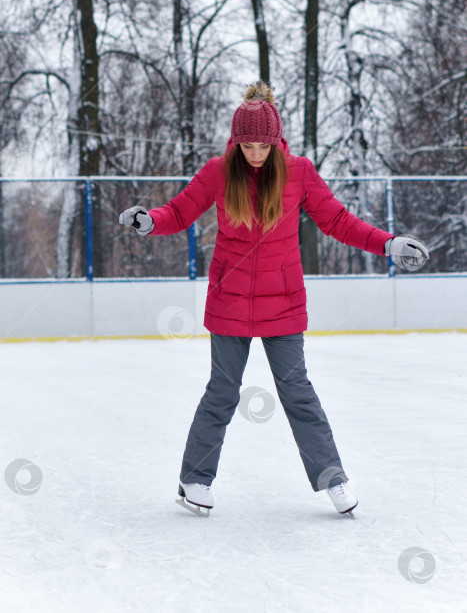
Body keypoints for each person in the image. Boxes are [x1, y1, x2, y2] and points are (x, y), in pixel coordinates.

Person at [119, 80, 429, 519]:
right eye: (247, 145)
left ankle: (332, 479)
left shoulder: (299, 172)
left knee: (298, 392)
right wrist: (149, 221)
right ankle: (195, 480)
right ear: (236, 140)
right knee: (222, 393)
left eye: (263, 144)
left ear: (276, 138)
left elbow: (338, 221)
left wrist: (388, 244)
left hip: (283, 303)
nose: (256, 153)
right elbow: (181, 211)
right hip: (229, 303)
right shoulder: (218, 172)